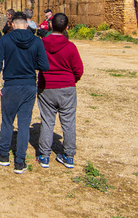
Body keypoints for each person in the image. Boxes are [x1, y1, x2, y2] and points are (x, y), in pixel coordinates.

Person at [0, 11, 49, 174]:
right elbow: (44, 65)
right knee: (23, 125)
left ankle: (3, 155)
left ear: (13, 24)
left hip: (11, 85)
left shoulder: (6, 39)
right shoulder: (36, 41)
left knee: (7, 122)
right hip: (29, 86)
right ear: (27, 24)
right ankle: (20, 162)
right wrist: (29, 64)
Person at [36, 13, 84, 169]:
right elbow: (78, 69)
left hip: (46, 87)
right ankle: (69, 156)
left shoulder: (41, 44)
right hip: (67, 87)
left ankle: (44, 156)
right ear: (66, 28)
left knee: (47, 121)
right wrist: (71, 80)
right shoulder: (70, 47)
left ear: (50, 26)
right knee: (68, 122)